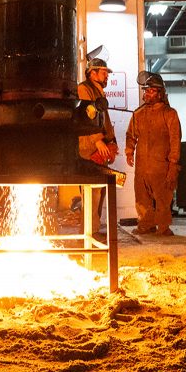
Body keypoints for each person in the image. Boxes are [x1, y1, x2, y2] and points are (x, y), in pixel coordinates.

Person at [125, 74, 181, 236]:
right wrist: (129, 151)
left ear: (159, 93)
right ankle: (145, 225)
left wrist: (173, 163)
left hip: (161, 165)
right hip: (142, 164)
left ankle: (163, 227)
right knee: (142, 197)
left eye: (150, 91)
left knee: (163, 197)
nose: (146, 94)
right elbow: (131, 135)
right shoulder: (138, 114)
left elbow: (175, 140)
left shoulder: (170, 114)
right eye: (146, 91)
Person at [77, 57, 119, 237]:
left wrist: (112, 142)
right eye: (103, 72)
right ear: (92, 73)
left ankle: (93, 229)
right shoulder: (84, 89)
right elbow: (86, 117)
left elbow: (105, 121)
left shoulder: (98, 92)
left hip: (98, 148)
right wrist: (98, 141)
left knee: (98, 191)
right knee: (91, 192)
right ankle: (88, 232)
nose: (107, 76)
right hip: (89, 150)